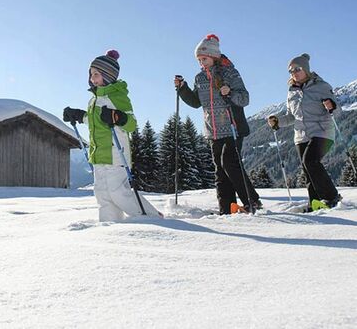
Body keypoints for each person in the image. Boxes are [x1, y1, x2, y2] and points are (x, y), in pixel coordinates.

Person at [63, 49, 162, 221]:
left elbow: (131, 124)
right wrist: (79, 115)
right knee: (102, 193)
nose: (92, 78)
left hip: (116, 153)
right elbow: (95, 122)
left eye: (96, 74)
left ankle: (151, 216)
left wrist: (118, 116)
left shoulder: (118, 97)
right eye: (91, 74)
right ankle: (110, 225)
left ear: (108, 75)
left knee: (118, 192)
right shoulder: (93, 100)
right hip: (98, 153)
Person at [174, 34, 262, 214]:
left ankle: (252, 201)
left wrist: (229, 92)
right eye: (199, 59)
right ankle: (227, 208)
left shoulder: (230, 73)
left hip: (232, 127)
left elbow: (244, 98)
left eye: (204, 58)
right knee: (220, 170)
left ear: (214, 56)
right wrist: (182, 89)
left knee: (229, 163)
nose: (201, 62)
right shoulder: (200, 78)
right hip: (212, 130)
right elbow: (196, 102)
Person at [267, 53, 342, 210]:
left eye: (297, 69)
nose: (294, 72)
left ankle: (331, 196)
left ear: (306, 70)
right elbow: (290, 117)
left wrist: (332, 106)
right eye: (291, 71)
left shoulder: (321, 86)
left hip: (322, 132)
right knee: (307, 170)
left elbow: (337, 110)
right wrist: (278, 121)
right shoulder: (291, 92)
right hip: (301, 136)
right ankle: (315, 204)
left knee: (311, 161)